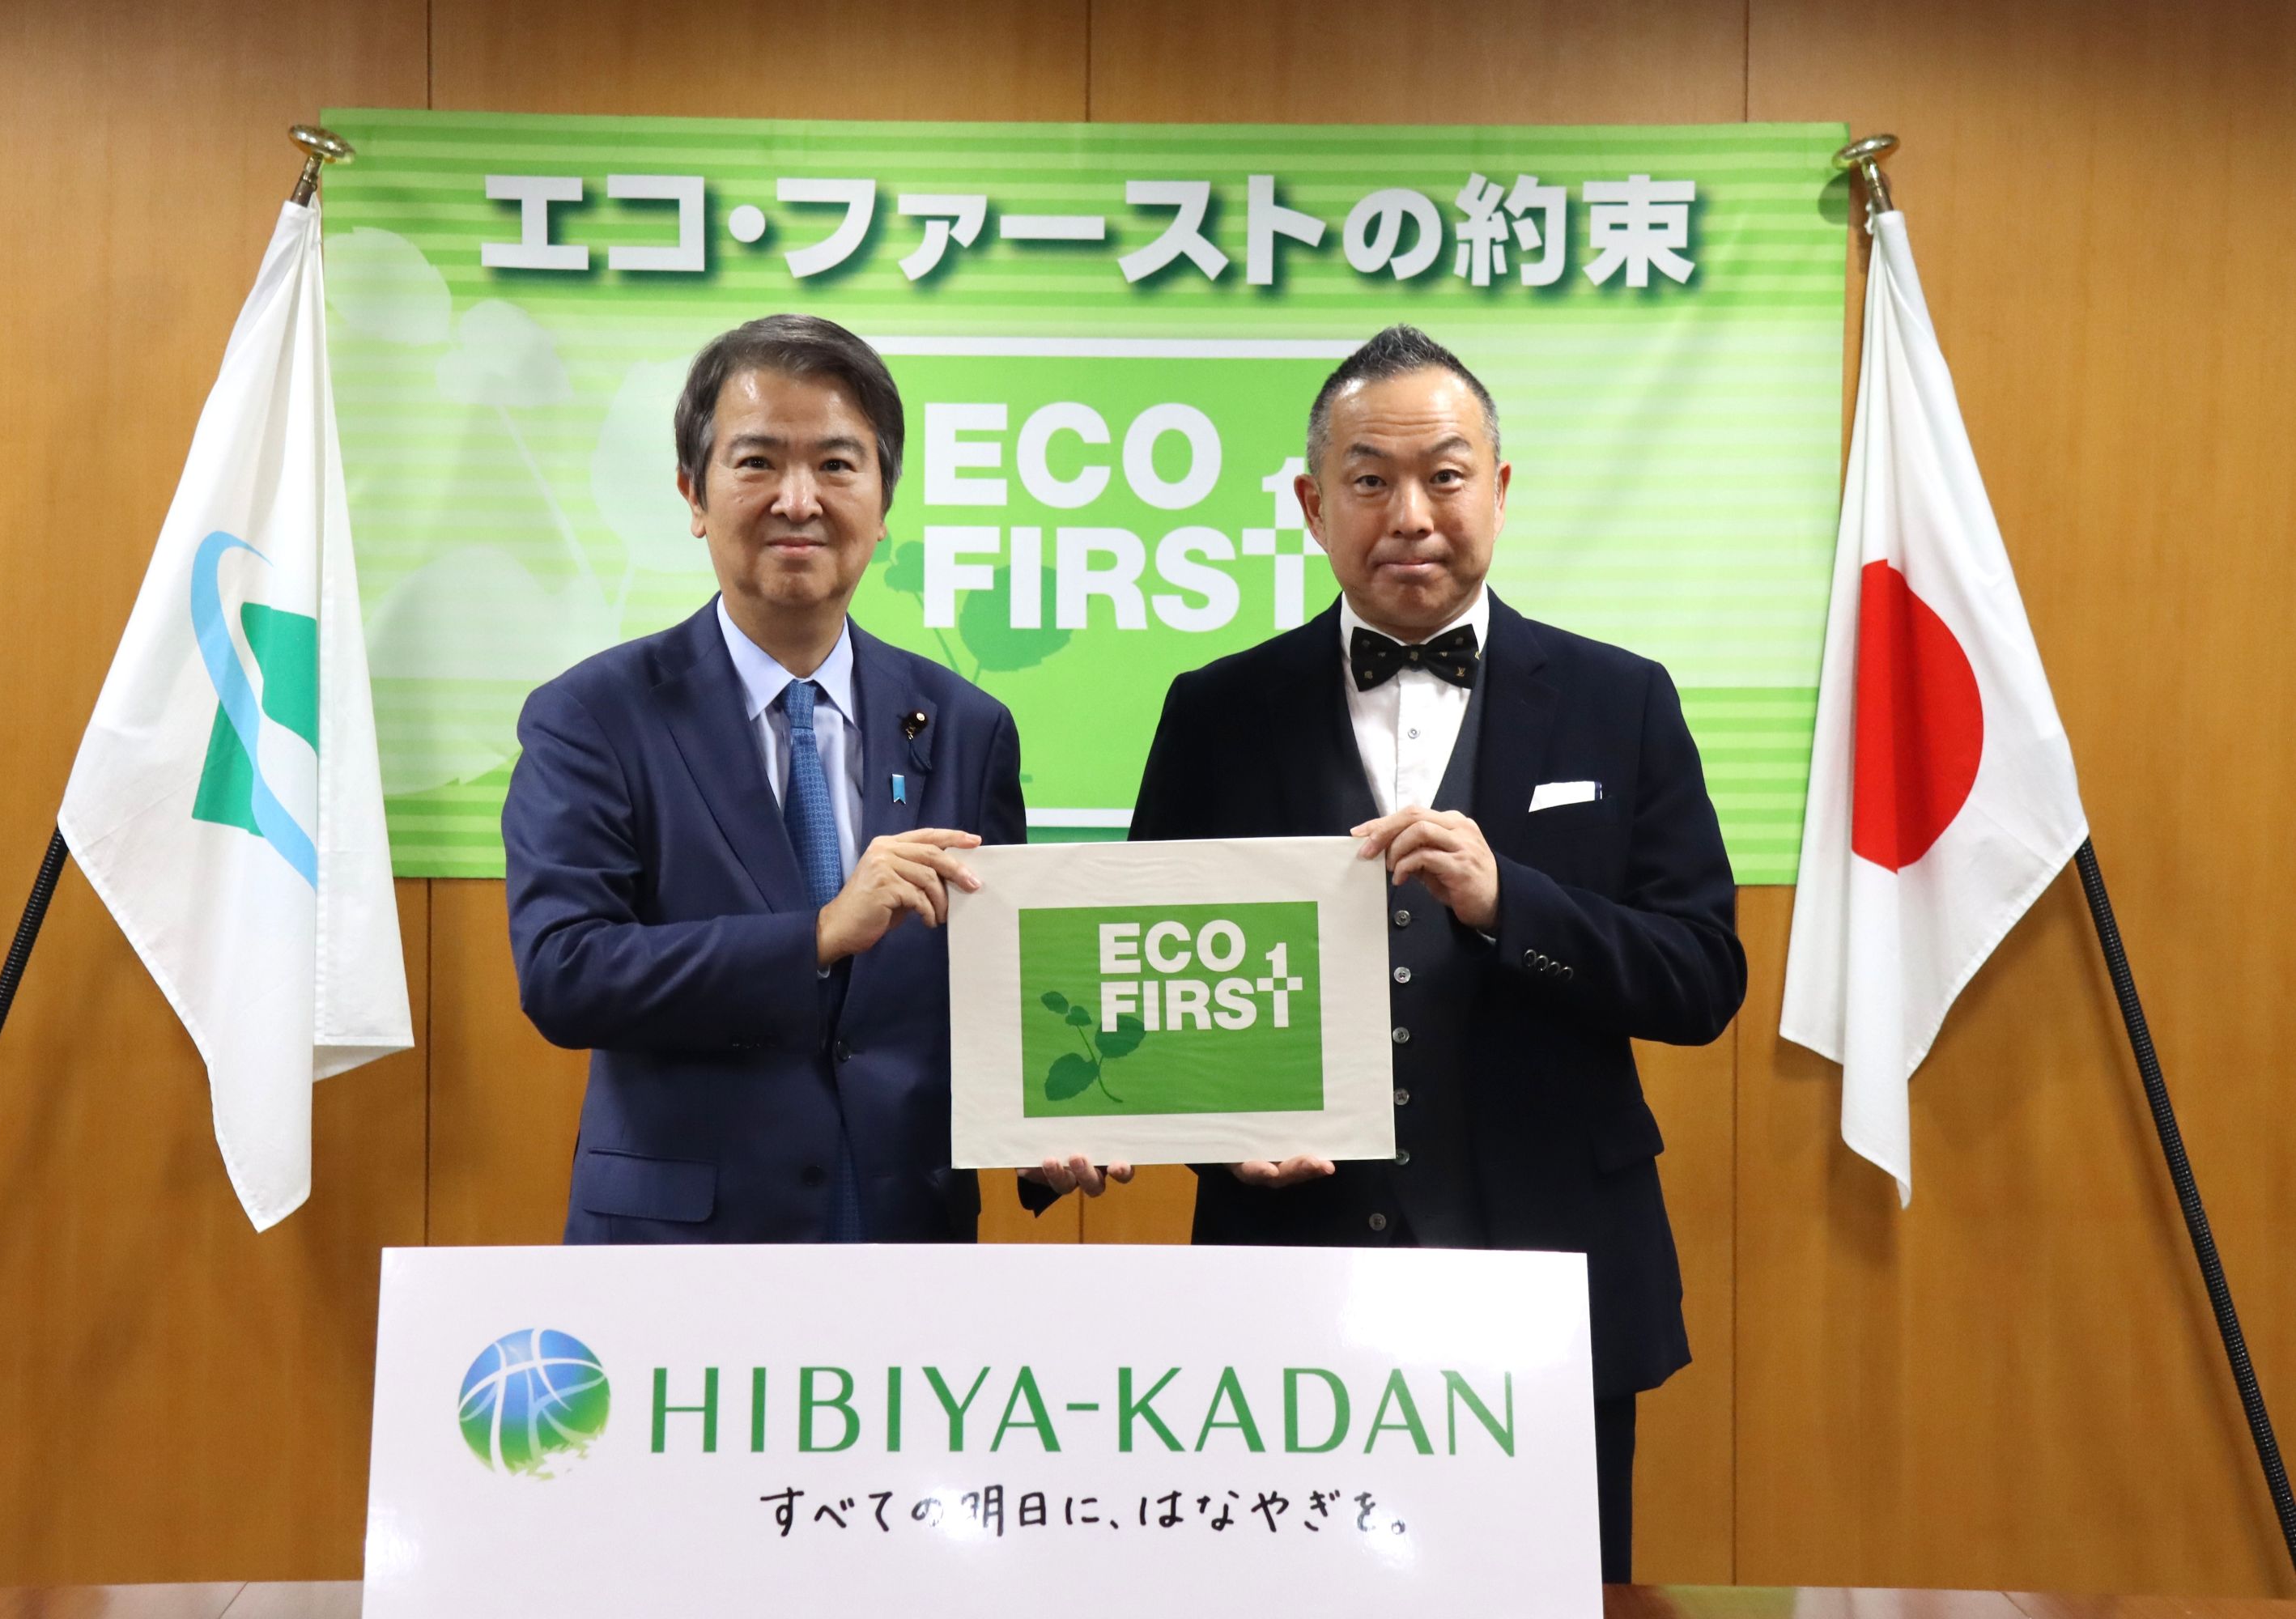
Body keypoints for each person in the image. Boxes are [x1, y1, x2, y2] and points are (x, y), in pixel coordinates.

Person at [1125, 325, 1746, 1581]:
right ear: (1313, 505)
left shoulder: (1622, 700)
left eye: (1445, 476)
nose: (1410, 515)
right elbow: (1144, 991)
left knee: (1549, 1596)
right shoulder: (1216, 711)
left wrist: (1514, 902)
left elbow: (1700, 977)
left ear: (1499, 491)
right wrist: (1220, 1136)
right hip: (1286, 1289)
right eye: (1370, 480)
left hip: (1547, 1281)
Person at [504, 313, 1113, 1244]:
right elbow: (565, 971)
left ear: (882, 498)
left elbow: (996, 985)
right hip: (680, 1249)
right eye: (757, 462)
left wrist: (1047, 1122)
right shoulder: (593, 715)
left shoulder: (966, 725)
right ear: (693, 492)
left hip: (903, 1232)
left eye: (835, 464)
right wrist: (819, 934)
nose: (799, 500)